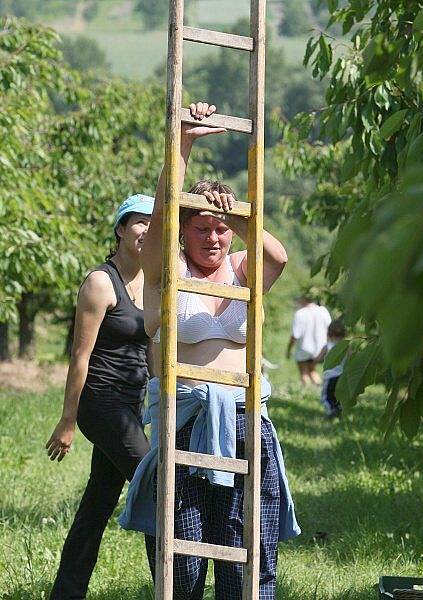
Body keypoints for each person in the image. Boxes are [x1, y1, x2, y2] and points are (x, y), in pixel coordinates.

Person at [119, 102, 300, 599]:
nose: (213, 238)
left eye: (220, 229)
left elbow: (277, 256)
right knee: (186, 554)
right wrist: (183, 144)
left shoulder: (244, 269)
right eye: (202, 228)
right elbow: (159, 222)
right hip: (187, 417)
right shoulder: (166, 273)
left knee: (249, 546)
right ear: (184, 231)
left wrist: (235, 215)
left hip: (245, 418)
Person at [46, 194, 155, 599]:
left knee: (97, 505)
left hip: (131, 405)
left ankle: (66, 592)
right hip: (100, 402)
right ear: (121, 229)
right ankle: (173, 588)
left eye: (153, 222)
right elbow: (80, 355)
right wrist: (68, 420)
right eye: (139, 222)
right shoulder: (100, 282)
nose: (147, 229)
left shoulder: (156, 280)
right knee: (155, 487)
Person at [286, 290, 331, 386]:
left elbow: (295, 335)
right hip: (320, 348)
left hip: (304, 348)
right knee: (312, 369)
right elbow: (330, 329)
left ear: (303, 299)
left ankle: (306, 391)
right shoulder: (323, 310)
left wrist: (289, 349)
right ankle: (318, 388)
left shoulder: (300, 313)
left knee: (304, 372)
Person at [317, 319, 346, 419]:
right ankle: (339, 409)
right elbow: (352, 358)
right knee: (338, 395)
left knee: (327, 396)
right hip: (342, 376)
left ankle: (331, 411)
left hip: (330, 377)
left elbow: (319, 358)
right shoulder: (347, 346)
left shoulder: (327, 346)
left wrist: (314, 360)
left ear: (329, 333)